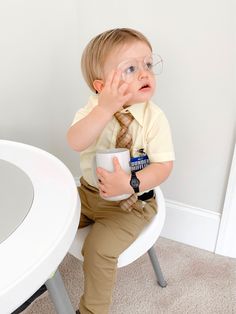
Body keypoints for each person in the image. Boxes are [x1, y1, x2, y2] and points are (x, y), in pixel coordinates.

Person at [67, 28, 175, 314]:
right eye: (131, 68)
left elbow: (164, 167)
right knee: (53, 219)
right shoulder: (93, 108)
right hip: (89, 194)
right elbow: (75, 141)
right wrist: (103, 111)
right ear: (101, 87)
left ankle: (92, 310)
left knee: (97, 249)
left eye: (148, 64)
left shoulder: (154, 118)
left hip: (131, 205)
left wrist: (131, 182)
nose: (144, 73)